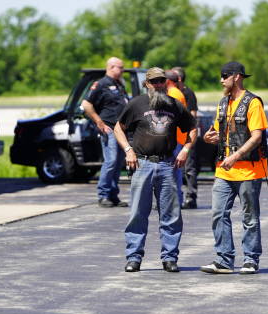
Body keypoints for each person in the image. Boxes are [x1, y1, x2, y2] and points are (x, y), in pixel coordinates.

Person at [113, 67, 197, 273]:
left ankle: (169, 258)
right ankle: (134, 257)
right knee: (138, 214)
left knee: (171, 215)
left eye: (162, 81)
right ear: (147, 84)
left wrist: (185, 149)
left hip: (168, 165)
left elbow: (193, 128)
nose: (159, 85)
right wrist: (128, 150)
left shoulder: (175, 105)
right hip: (142, 164)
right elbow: (118, 128)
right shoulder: (136, 104)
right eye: (155, 81)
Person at [200, 61, 268, 275]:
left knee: (249, 216)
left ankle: (250, 259)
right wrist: (208, 138)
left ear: (237, 77)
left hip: (249, 170)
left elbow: (256, 136)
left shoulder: (253, 103)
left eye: (225, 76)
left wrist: (236, 156)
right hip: (224, 170)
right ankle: (224, 259)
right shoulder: (223, 103)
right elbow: (220, 133)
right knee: (218, 214)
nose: (221, 80)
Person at [81, 57, 129, 208]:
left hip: (121, 129)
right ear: (111, 67)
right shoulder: (100, 84)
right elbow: (86, 104)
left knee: (118, 162)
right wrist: (98, 122)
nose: (122, 71)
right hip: (109, 128)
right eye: (120, 68)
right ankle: (103, 195)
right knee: (111, 161)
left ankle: (113, 195)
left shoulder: (119, 84)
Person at [172, 66, 199, 209]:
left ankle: (191, 197)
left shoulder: (188, 93)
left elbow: (193, 115)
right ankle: (177, 197)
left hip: (186, 136)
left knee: (189, 168)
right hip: (174, 137)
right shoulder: (169, 92)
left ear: (179, 79)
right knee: (176, 169)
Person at [165, 69, 187, 208]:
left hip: (176, 138)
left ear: (167, 81)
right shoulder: (176, 93)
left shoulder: (173, 94)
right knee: (174, 171)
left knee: (173, 172)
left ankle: (176, 201)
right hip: (178, 137)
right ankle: (175, 200)